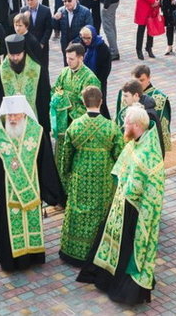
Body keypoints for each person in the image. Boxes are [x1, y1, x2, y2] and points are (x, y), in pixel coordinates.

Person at [77, 104, 166, 305]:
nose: (122, 126)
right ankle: (106, 279)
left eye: (125, 123)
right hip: (121, 204)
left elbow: (151, 192)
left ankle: (126, 290)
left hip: (135, 212)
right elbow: (123, 168)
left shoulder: (149, 155)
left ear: (135, 125)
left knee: (127, 250)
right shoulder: (136, 142)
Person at [0, 96, 65, 271]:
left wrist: (49, 189)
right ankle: (11, 259)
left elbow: (45, 162)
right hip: (7, 190)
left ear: (24, 114)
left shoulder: (37, 132)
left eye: (15, 115)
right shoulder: (2, 134)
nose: (11, 119)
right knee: (9, 224)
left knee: (30, 221)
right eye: (9, 115)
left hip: (31, 190)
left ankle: (32, 256)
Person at [59, 86, 124, 266]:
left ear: (83, 101)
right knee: (100, 213)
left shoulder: (75, 125)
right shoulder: (111, 127)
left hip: (80, 176)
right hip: (103, 178)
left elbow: (66, 154)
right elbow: (120, 155)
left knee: (77, 211)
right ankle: (97, 252)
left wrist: (66, 173)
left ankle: (72, 251)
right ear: (101, 102)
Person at [51, 43, 101, 182]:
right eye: (67, 58)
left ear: (81, 58)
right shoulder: (64, 72)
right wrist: (59, 98)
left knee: (74, 160)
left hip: (77, 126)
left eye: (72, 59)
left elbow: (92, 105)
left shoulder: (90, 78)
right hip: (62, 124)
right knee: (60, 158)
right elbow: (55, 90)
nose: (68, 61)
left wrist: (68, 104)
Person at [0, 35, 53, 131]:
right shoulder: (2, 70)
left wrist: (45, 122)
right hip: (11, 121)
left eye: (18, 55)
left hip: (34, 118)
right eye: (12, 55)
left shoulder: (37, 69)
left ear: (24, 53)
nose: (15, 58)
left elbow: (45, 96)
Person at [115, 79, 165, 156]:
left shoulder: (147, 114)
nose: (124, 99)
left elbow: (149, 141)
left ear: (136, 95)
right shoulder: (134, 108)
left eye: (126, 96)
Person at [133, 65, 171, 152]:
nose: (139, 83)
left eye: (142, 80)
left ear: (149, 78)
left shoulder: (160, 98)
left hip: (152, 142)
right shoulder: (128, 94)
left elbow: (164, 125)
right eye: (136, 81)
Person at [77, 25, 112, 118]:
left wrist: (96, 81)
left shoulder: (102, 48)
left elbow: (106, 68)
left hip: (99, 80)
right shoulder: (82, 45)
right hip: (85, 80)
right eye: (83, 38)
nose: (86, 40)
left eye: (88, 38)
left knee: (100, 103)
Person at [52, 0, 94, 65]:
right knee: (67, 68)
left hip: (80, 47)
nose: (67, 3)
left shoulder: (85, 12)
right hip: (66, 47)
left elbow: (88, 30)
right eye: (64, 1)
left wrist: (74, 42)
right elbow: (56, 28)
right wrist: (55, 19)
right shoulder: (61, 10)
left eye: (69, 1)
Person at [20, 0, 53, 71]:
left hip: (42, 45)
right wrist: (24, 18)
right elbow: (20, 29)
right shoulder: (23, 10)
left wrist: (42, 43)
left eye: (32, 0)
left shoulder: (46, 10)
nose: (29, 2)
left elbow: (49, 29)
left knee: (43, 68)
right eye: (27, 0)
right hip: (28, 45)